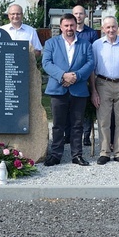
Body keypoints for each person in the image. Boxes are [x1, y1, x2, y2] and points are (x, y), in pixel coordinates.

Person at [42, 13, 94, 166]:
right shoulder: (51, 43)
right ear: (61, 27)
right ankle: (56, 155)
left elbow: (90, 63)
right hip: (58, 89)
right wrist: (63, 76)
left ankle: (77, 155)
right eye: (66, 25)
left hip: (78, 90)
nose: (69, 28)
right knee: (58, 124)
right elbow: (46, 63)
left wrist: (76, 76)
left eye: (72, 25)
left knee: (77, 124)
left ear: (75, 26)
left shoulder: (85, 44)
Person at [90, 16, 119, 165]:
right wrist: (94, 91)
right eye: (107, 27)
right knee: (103, 120)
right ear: (103, 29)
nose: (111, 30)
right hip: (103, 83)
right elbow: (92, 69)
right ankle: (104, 152)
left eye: (113, 27)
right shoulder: (97, 45)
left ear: (117, 27)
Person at [72, 5, 99, 146]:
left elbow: (93, 57)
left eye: (81, 13)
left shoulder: (92, 34)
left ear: (85, 15)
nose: (78, 16)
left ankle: (86, 135)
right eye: (76, 13)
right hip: (71, 73)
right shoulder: (68, 30)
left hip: (87, 73)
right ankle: (68, 135)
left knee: (87, 107)